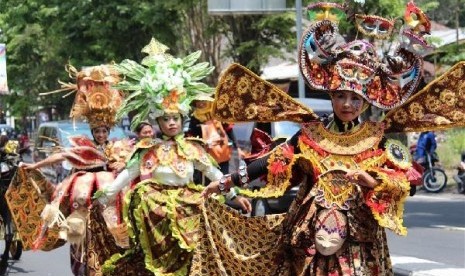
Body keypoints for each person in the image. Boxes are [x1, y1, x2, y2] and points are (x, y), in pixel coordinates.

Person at [194, 2, 449, 275]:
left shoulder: (377, 139)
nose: (347, 104)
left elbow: (407, 184)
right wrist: (224, 182)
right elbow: (268, 163)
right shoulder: (311, 134)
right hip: (311, 241)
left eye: (355, 98)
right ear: (331, 96)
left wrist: (371, 182)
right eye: (340, 95)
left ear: (365, 103)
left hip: (359, 245)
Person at [94, 38, 251, 275]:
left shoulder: (193, 147)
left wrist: (234, 195)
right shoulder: (148, 149)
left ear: (181, 120)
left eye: (175, 118)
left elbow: (213, 173)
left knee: (196, 250)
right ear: (158, 122)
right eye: (166, 119)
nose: (171, 123)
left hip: (188, 204)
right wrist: (104, 197)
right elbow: (128, 174)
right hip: (156, 209)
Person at [19, 64, 130, 276]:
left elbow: (133, 166)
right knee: (80, 240)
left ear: (108, 131)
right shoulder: (84, 148)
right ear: (92, 131)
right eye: (96, 130)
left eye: (103, 130)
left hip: (109, 205)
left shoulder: (119, 148)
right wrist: (34, 166)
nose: (100, 134)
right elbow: (61, 156)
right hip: (84, 206)